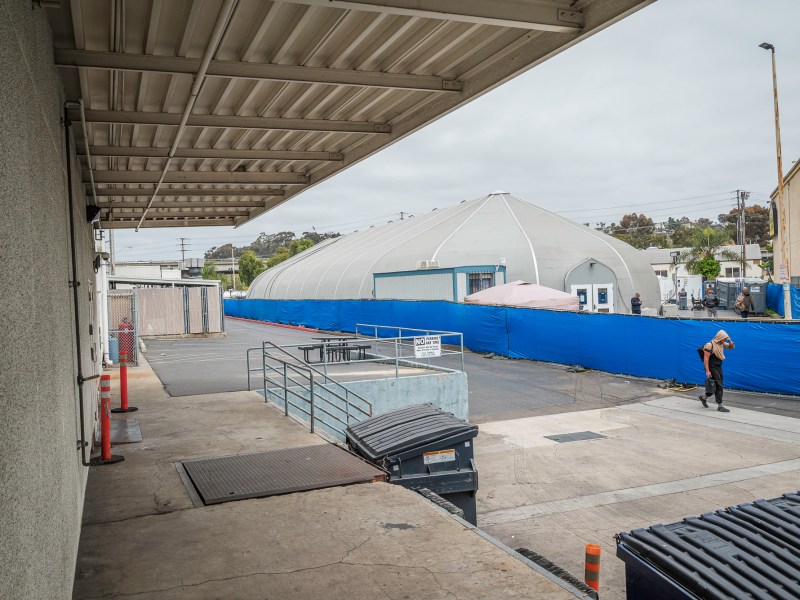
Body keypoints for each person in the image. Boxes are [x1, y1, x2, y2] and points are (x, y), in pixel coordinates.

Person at [699, 330, 734, 412]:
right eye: (724, 338)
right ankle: (720, 405)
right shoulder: (710, 345)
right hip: (711, 366)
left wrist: (729, 340)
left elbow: (731, 347)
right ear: (720, 337)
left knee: (716, 385)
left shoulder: (721, 344)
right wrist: (707, 371)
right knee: (719, 385)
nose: (724, 340)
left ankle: (703, 397)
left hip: (718, 366)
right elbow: (706, 359)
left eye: (725, 339)